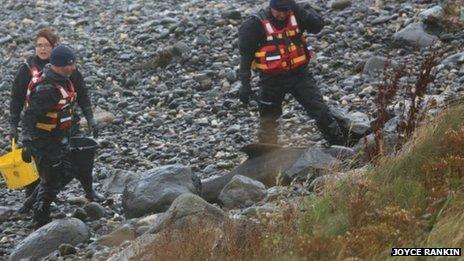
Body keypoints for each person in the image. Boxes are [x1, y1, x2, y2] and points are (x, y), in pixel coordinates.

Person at [9, 28, 104, 212]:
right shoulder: (29, 71)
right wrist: (16, 128)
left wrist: (90, 118)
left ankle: (87, 191)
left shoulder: (67, 68)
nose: (42, 49)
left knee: (76, 161)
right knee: (44, 171)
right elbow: (17, 100)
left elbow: (82, 93)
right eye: (39, 45)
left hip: (67, 125)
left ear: (54, 48)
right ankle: (34, 203)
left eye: (46, 45)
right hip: (43, 132)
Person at [238, 0, 346, 146]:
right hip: (271, 80)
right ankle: (268, 154)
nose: (282, 15)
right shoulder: (254, 24)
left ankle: (339, 144)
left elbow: (318, 26)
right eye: (278, 11)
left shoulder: (298, 13)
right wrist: (245, 84)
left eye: (286, 10)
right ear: (271, 7)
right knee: (268, 120)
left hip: (300, 75)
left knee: (320, 110)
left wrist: (296, 8)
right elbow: (246, 56)